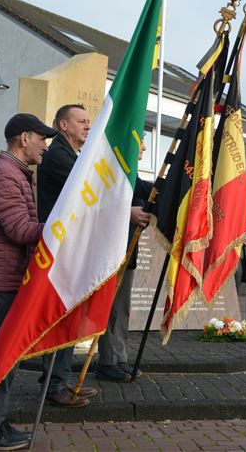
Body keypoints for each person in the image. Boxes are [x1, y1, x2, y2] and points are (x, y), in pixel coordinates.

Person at [0, 113, 57, 451]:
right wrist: (62, 226)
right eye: (41, 138)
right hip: (3, 281)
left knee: (4, 355)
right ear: (23, 138)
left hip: (9, 278)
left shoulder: (15, 173)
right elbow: (20, 230)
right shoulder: (4, 174)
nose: (45, 145)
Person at [35, 104, 95, 408]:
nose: (87, 125)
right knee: (60, 316)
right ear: (63, 125)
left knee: (69, 316)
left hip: (72, 248)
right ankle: (53, 384)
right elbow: (92, 188)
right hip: (60, 251)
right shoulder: (59, 156)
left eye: (89, 121)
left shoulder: (75, 155)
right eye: (81, 121)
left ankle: (61, 379)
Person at [96, 135, 152, 382]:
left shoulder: (133, 177)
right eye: (140, 141)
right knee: (111, 309)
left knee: (122, 309)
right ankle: (107, 361)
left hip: (128, 253)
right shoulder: (112, 172)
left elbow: (148, 192)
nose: (144, 147)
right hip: (113, 252)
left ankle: (119, 358)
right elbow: (101, 205)